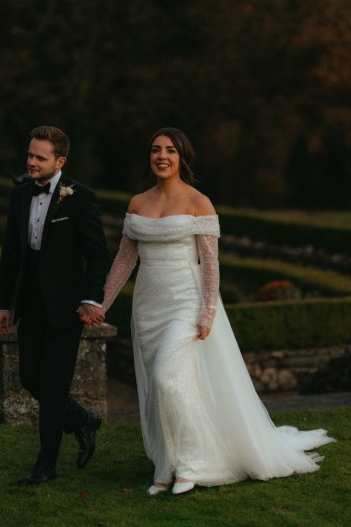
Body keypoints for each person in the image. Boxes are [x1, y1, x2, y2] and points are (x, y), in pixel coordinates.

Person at [90, 127, 335, 495]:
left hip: (185, 303)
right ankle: (164, 465)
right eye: (156, 150)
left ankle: (192, 462)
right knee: (160, 390)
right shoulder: (138, 203)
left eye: (170, 151)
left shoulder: (198, 202)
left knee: (166, 379)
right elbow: (124, 261)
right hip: (148, 306)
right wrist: (101, 304)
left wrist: (207, 312)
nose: (162, 156)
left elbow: (210, 265)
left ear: (182, 158)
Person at [0, 125, 109, 486]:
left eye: (39, 157)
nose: (31, 162)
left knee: (53, 386)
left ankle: (46, 464)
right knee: (29, 377)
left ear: (60, 161)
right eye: (29, 154)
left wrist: (91, 299)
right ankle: (81, 420)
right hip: (31, 304)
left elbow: (96, 253)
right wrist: (2, 304)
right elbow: (12, 253)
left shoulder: (80, 197)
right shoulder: (21, 194)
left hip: (66, 308)